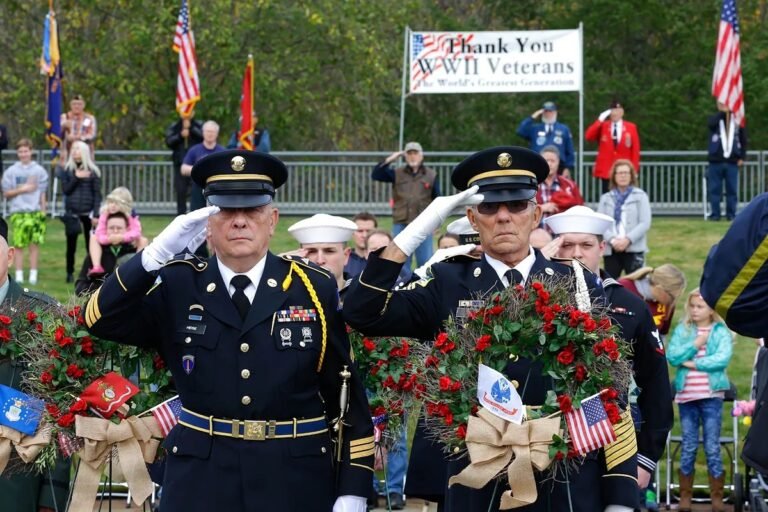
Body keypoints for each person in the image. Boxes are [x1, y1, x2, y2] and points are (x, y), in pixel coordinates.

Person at [344, 146, 637, 512]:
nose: (503, 217)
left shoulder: (576, 282)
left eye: (516, 205)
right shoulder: (448, 282)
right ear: (471, 216)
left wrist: (620, 496)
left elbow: (610, 390)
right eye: (489, 207)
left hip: (566, 481)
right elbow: (361, 312)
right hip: (476, 483)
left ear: (536, 214)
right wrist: (420, 227)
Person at [84, 149, 374, 511]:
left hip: (293, 479)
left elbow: (345, 394)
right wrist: (153, 256)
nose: (239, 221)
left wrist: (353, 490)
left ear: (272, 219)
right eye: (225, 211)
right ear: (206, 223)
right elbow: (99, 318)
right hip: (201, 481)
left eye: (252, 210)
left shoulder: (312, 288)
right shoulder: (179, 284)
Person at [543, 206, 673, 502]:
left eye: (586, 245)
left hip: (615, 445)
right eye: (567, 245)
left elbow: (655, 384)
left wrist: (647, 457)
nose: (576, 253)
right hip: (545, 443)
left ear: (601, 247)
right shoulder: (532, 302)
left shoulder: (629, 305)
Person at [0, 218, 70, 512]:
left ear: (10, 255)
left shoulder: (41, 315)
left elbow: (62, 407)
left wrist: (50, 498)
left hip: (17, 483)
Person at [666, 288, 733, 512]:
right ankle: (685, 495)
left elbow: (721, 359)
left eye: (700, 307)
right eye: (692, 306)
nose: (695, 311)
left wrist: (694, 364)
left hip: (711, 397)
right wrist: (696, 344)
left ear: (711, 309)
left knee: (712, 446)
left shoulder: (720, 331)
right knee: (689, 445)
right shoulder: (684, 331)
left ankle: (717, 497)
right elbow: (672, 356)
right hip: (687, 398)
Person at [372, 141, 440, 268]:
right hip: (401, 223)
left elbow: (437, 199)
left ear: (421, 155)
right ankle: (402, 286)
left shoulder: (431, 175)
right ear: (405, 156)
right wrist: (392, 158)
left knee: (425, 262)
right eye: (409, 153)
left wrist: (436, 223)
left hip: (424, 224)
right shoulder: (397, 173)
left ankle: (425, 287)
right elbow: (376, 174)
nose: (412, 156)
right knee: (399, 262)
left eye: (415, 153)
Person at [1, 138, 48, 286]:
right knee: (19, 245)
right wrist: (22, 189)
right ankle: (19, 274)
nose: (23, 154)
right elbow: (6, 193)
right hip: (19, 212)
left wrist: (43, 209)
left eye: (26, 151)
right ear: (17, 153)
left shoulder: (39, 170)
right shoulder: (12, 171)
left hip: (34, 212)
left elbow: (42, 192)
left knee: (34, 244)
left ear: (31, 151)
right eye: (20, 151)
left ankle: (33, 273)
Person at [56, 140, 102, 284]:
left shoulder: (93, 171)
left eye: (78, 149)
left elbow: (97, 195)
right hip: (72, 213)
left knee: (91, 245)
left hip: (88, 213)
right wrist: (77, 177)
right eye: (73, 149)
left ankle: (91, 271)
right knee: (71, 245)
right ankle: (69, 272)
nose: (75, 151)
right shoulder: (67, 170)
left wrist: (96, 214)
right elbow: (66, 190)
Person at [597, 160, 651, 277]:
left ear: (632, 176)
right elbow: (600, 223)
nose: (623, 176)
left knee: (637, 286)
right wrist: (613, 240)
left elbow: (645, 223)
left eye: (626, 173)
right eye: (619, 173)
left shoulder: (641, 196)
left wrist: (627, 240)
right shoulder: (606, 198)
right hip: (612, 249)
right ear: (614, 176)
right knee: (610, 286)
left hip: (634, 248)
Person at [287, 213, 357, 291]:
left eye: (329, 251)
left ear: (346, 255)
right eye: (312, 251)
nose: (320, 260)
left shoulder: (363, 295)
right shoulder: (287, 295)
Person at [88, 186, 147, 276]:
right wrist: (109, 239)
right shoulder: (105, 214)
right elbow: (99, 232)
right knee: (93, 237)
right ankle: (96, 266)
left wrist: (122, 237)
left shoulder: (131, 215)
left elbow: (136, 231)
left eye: (117, 203)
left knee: (143, 240)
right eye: (111, 202)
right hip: (108, 239)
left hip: (126, 240)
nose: (112, 205)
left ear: (125, 205)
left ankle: (137, 265)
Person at [75, 212, 138, 296]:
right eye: (111, 228)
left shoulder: (134, 252)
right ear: (106, 230)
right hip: (100, 303)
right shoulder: (95, 255)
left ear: (127, 230)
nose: (115, 231)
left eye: (119, 228)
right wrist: (102, 290)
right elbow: (79, 288)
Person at [586, 100, 641, 193]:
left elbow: (635, 150)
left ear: (622, 112)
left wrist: (634, 169)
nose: (615, 113)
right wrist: (599, 120)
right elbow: (588, 136)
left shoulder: (631, 127)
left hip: (624, 170)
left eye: (617, 110)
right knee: (608, 198)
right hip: (607, 171)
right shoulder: (603, 126)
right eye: (613, 110)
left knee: (625, 197)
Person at [619, 265, 687, 338]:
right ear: (660, 289)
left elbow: (662, 335)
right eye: (673, 297)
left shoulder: (668, 303)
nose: (673, 301)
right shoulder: (623, 289)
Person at [706, 101, 747, 221]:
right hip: (716, 161)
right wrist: (722, 113)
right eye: (721, 104)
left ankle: (731, 214)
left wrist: (742, 157)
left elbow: (743, 140)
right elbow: (710, 124)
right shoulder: (715, 119)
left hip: (732, 162)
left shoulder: (737, 121)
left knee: (732, 190)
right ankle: (715, 214)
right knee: (714, 189)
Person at [516, 101, 575, 175]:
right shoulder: (535, 128)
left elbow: (570, 150)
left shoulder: (564, 129)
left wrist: (567, 168)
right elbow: (521, 131)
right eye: (545, 111)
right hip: (537, 165)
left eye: (550, 111)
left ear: (555, 112)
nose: (548, 114)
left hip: (558, 167)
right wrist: (533, 116)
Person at [181, 120, 225, 214]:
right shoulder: (194, 150)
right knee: (196, 216)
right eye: (208, 131)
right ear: (203, 133)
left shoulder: (223, 152)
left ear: (217, 134)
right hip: (198, 188)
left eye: (212, 132)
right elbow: (183, 168)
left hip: (216, 190)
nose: (210, 134)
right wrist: (199, 170)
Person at [165, 111, 204, 215]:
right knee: (180, 190)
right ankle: (180, 215)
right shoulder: (175, 126)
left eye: (190, 111)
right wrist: (180, 135)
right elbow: (169, 142)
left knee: (196, 191)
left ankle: (196, 214)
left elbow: (203, 137)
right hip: (180, 164)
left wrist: (191, 128)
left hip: (197, 165)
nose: (187, 113)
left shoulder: (199, 125)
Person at [536, 145, 583, 225]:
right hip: (536, 233)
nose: (549, 164)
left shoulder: (570, 185)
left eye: (552, 161)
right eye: (546, 160)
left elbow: (581, 209)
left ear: (558, 162)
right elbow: (521, 210)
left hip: (564, 232)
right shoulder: (531, 184)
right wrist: (542, 208)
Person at [60, 94, 97, 160]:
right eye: (74, 104)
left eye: (79, 104)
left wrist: (78, 138)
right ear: (70, 105)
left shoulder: (89, 118)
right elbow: (56, 134)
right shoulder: (64, 117)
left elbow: (92, 135)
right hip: (66, 157)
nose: (76, 106)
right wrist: (64, 126)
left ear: (84, 105)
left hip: (85, 158)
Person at [345, 212, 377, 278]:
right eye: (360, 231)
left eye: (368, 231)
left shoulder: (384, 259)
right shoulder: (342, 259)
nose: (364, 235)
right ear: (352, 233)